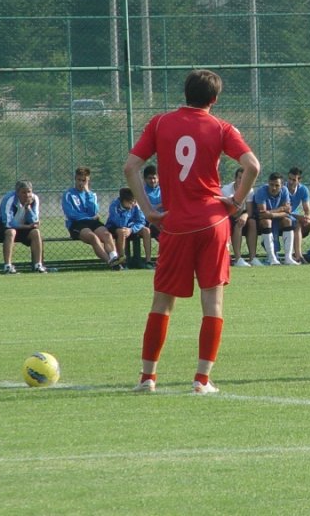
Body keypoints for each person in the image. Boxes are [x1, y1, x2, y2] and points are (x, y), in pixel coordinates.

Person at [124, 69, 260, 394]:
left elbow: (130, 166)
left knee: (162, 302)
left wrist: (148, 211)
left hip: (175, 224)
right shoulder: (221, 127)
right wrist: (236, 202)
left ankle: (147, 377)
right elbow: (253, 165)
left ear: (185, 93)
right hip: (212, 222)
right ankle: (201, 380)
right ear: (214, 99)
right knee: (212, 302)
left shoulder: (159, 123)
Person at [61, 166, 124, 270]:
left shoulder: (91, 195)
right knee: (93, 237)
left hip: (92, 221)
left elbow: (94, 211)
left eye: (84, 180)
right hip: (76, 224)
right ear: (75, 179)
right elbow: (71, 214)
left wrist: (87, 192)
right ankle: (111, 262)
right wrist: (89, 216)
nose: (81, 183)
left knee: (107, 235)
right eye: (79, 180)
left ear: (88, 180)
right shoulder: (68, 194)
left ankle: (114, 258)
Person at [0, 180, 48, 274]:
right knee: (11, 232)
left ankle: (38, 265)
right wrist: (27, 227)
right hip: (2, 228)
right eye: (23, 192)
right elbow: (8, 223)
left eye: (29, 192)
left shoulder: (34, 199)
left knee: (36, 232)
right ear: (17, 192)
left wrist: (28, 208)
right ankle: (8, 266)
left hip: (22, 227)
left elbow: (35, 221)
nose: (27, 195)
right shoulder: (9, 199)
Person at [253, 172, 298, 265]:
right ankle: (272, 257)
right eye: (271, 184)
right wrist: (281, 209)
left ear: (282, 185)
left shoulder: (285, 190)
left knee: (288, 221)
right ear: (268, 182)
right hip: (261, 220)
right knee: (267, 222)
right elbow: (263, 214)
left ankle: (288, 258)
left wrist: (272, 214)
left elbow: (287, 211)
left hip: (276, 218)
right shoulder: (261, 191)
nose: (273, 188)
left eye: (277, 185)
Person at [106, 187, 153, 269]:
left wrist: (131, 229)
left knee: (146, 230)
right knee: (121, 231)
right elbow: (119, 223)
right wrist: (126, 212)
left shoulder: (135, 205)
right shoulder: (114, 206)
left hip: (130, 228)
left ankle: (148, 261)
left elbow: (141, 221)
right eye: (130, 201)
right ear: (122, 200)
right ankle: (122, 262)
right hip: (115, 227)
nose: (133, 203)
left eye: (134, 201)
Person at [221, 166, 260, 267]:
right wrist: (241, 216)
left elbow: (250, 211)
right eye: (239, 178)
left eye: (244, 178)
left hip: (240, 216)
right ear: (235, 179)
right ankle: (238, 259)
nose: (241, 180)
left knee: (252, 222)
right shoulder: (226, 190)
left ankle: (253, 258)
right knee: (238, 223)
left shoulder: (249, 190)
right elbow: (231, 212)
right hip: (227, 217)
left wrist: (245, 216)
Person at [142, 164, 163, 240]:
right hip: (148, 221)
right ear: (145, 179)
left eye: (154, 178)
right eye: (149, 178)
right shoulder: (142, 192)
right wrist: (160, 205)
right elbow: (145, 209)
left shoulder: (163, 189)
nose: (152, 181)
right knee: (157, 226)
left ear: (158, 178)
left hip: (163, 218)